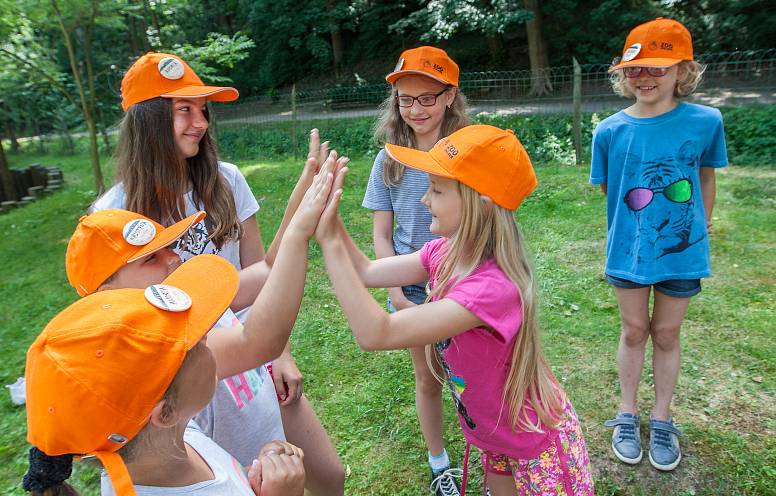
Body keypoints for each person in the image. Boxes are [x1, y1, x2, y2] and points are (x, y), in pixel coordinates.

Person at [91, 52, 344, 493]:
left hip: (252, 357)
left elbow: (260, 269)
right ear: (146, 122)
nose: (201, 122)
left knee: (328, 476)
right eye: (183, 110)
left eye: (203, 109)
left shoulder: (225, 180)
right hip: (190, 387)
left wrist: (278, 353)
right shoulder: (114, 218)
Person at [317, 125, 594, 495]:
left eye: (437, 190)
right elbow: (366, 272)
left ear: (482, 200)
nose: (423, 200)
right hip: (495, 436)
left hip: (535, 446)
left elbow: (376, 332)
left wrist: (328, 242)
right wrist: (329, 219)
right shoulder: (445, 253)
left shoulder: (492, 288)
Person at [22, 255, 305, 496]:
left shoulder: (175, 441)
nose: (208, 336)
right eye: (195, 346)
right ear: (164, 413)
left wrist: (252, 478)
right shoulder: (168, 445)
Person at [590, 18, 728, 471]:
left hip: (683, 251)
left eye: (658, 68)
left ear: (683, 71)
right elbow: (612, 192)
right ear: (622, 74)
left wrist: (701, 226)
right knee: (634, 330)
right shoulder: (609, 130)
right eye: (634, 69)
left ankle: (662, 417)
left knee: (667, 333)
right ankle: (627, 413)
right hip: (629, 251)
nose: (644, 77)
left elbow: (704, 176)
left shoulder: (707, 121)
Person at [362, 45, 469, 496]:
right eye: (406, 99)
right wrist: (400, 294)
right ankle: (439, 461)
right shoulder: (389, 159)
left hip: (466, 284)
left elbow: (490, 225)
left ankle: (484, 447)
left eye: (427, 97)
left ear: (449, 96)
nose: (416, 109)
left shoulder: (470, 152)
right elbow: (382, 236)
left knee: (471, 377)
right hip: (414, 289)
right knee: (427, 376)